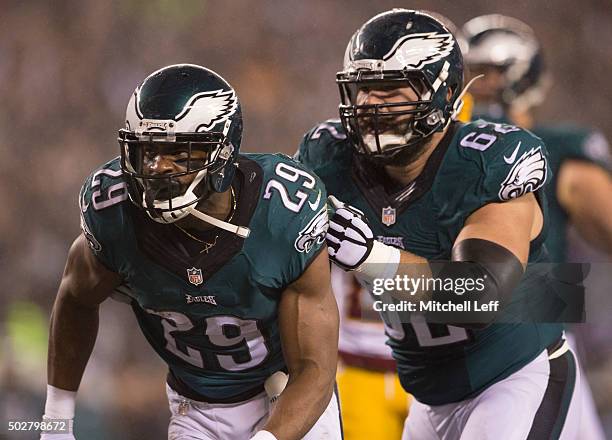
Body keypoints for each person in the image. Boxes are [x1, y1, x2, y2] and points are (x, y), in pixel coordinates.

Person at [297, 9, 581, 439]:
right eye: (363, 88)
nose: (371, 104)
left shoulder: (485, 163)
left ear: (444, 93)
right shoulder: (330, 157)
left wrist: (373, 257)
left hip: (515, 374)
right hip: (428, 394)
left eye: (391, 89)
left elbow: (479, 295)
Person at [42, 64, 341, 440]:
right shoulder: (114, 212)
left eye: (177, 153)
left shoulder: (282, 212)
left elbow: (314, 369)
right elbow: (75, 298)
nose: (156, 167)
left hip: (284, 393)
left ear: (222, 151)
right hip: (196, 407)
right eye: (146, 150)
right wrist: (55, 422)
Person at [462, 14, 612, 440]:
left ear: (522, 76)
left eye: (488, 72)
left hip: (538, 328)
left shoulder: (559, 151)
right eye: (470, 73)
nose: (477, 85)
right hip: (448, 323)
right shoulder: (439, 148)